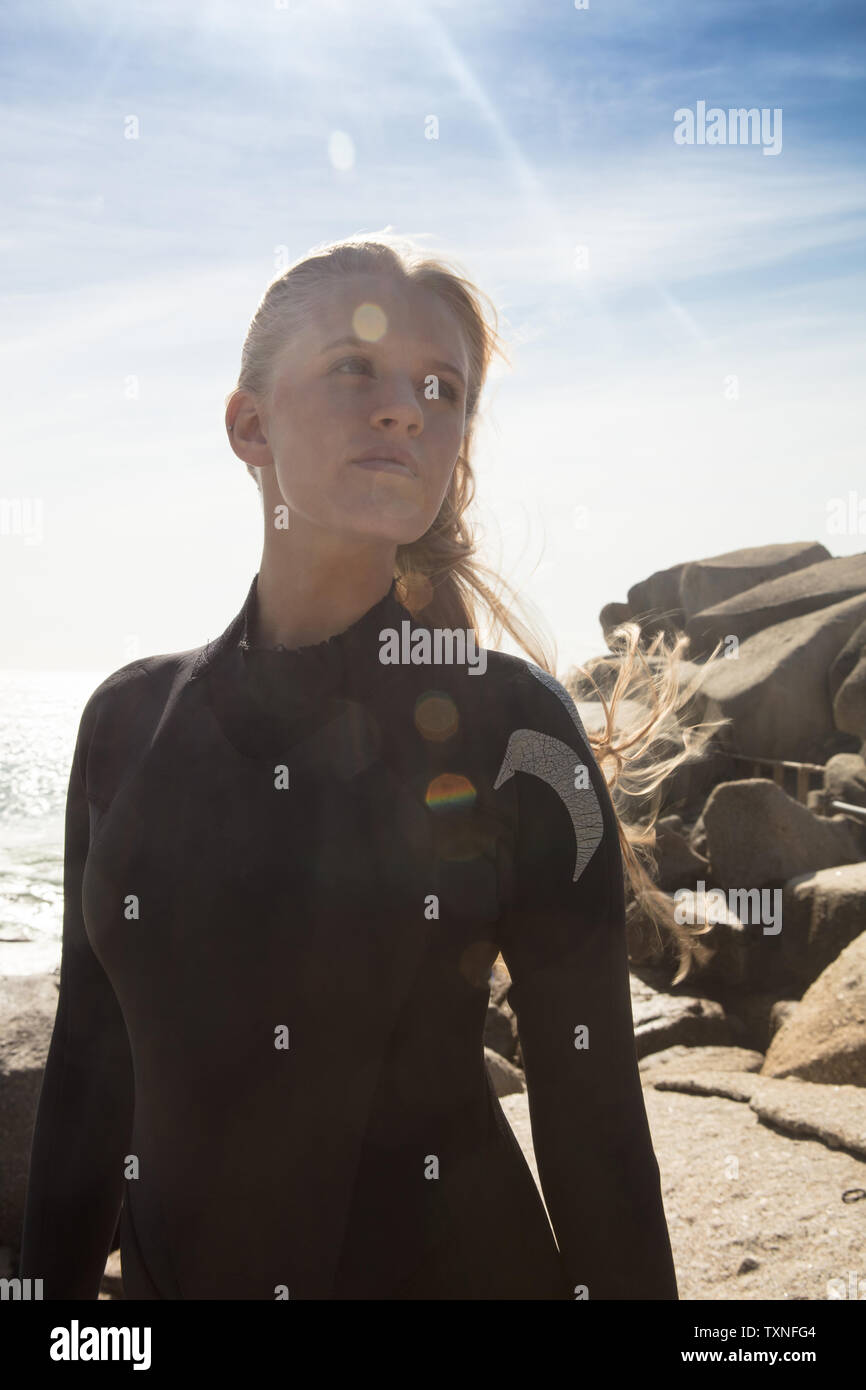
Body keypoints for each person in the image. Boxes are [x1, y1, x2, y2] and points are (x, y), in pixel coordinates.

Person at [19, 235, 689, 1300]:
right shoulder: (123, 723)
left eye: (442, 389)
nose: (406, 409)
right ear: (249, 426)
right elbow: (89, 1081)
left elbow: (595, 1130)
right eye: (354, 369)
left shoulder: (515, 733)